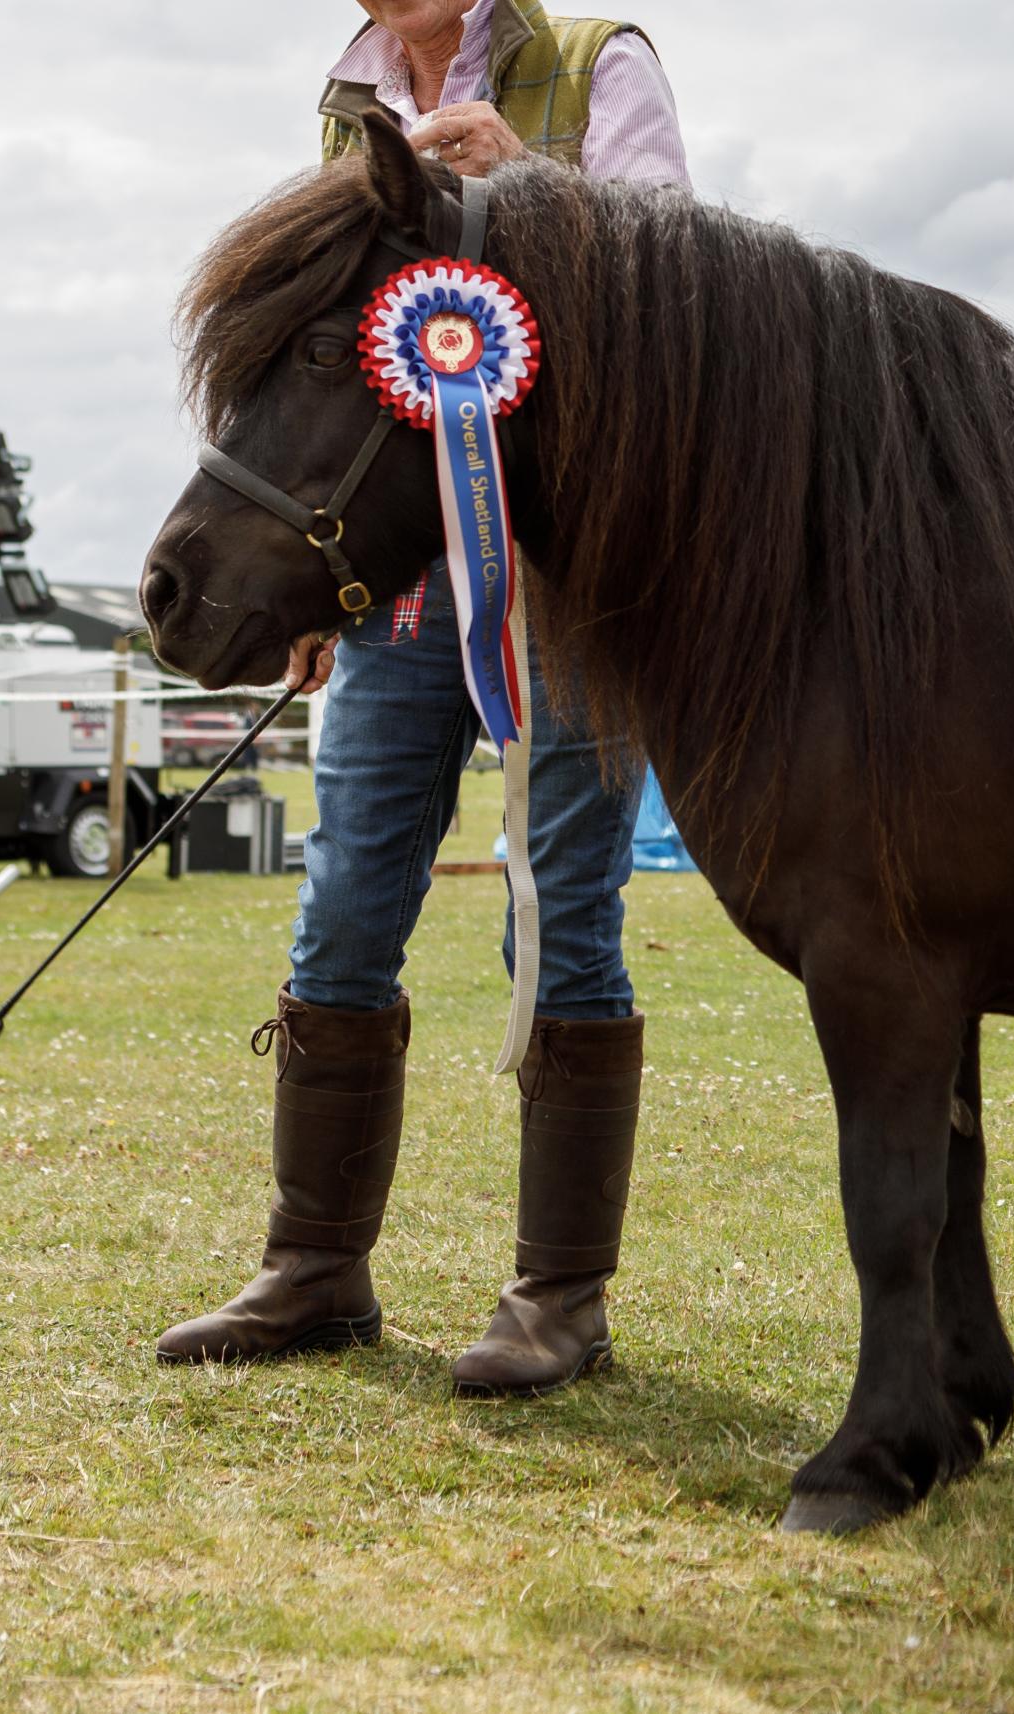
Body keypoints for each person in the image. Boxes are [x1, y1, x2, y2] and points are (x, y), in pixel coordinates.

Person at [157, 0, 690, 1397]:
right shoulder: (346, 99)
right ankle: (314, 1266)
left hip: (570, 588)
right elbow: (349, 369)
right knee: (340, 908)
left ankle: (560, 1299)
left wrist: (524, 182)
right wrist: (314, 592)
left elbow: (676, 282)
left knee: (566, 914)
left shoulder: (592, 63)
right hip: (397, 593)